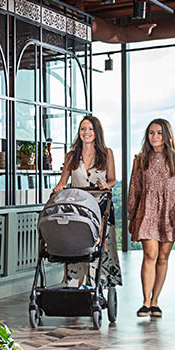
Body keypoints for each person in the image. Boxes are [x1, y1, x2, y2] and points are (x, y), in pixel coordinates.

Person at [124, 119, 175, 317]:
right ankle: (145, 302)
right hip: (147, 212)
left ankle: (155, 301)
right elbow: (134, 189)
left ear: (167, 135)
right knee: (150, 254)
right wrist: (132, 216)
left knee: (163, 257)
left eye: (159, 133)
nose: (155, 137)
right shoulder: (140, 160)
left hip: (170, 213)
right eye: (151, 132)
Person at [51, 114, 117, 286]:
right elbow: (62, 182)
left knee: (101, 245)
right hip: (78, 205)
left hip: (100, 203)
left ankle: (99, 282)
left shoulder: (107, 153)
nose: (86, 132)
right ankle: (74, 282)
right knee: (77, 242)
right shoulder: (71, 156)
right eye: (83, 129)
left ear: (97, 132)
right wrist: (58, 189)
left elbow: (113, 180)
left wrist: (106, 185)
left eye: (90, 129)